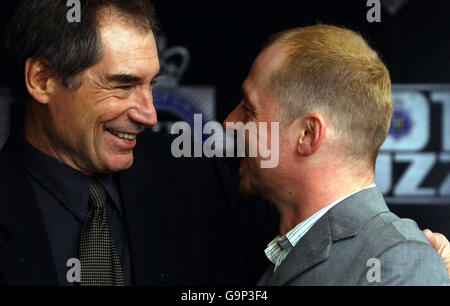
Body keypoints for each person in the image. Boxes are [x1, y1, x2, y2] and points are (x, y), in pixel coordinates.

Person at [0, 0, 277, 286]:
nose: (149, 115)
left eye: (150, 85)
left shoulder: (200, 178)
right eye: (123, 86)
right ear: (42, 79)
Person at [224, 24, 450, 285]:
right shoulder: (292, 250)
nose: (229, 122)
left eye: (249, 110)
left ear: (308, 134)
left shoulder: (397, 261)